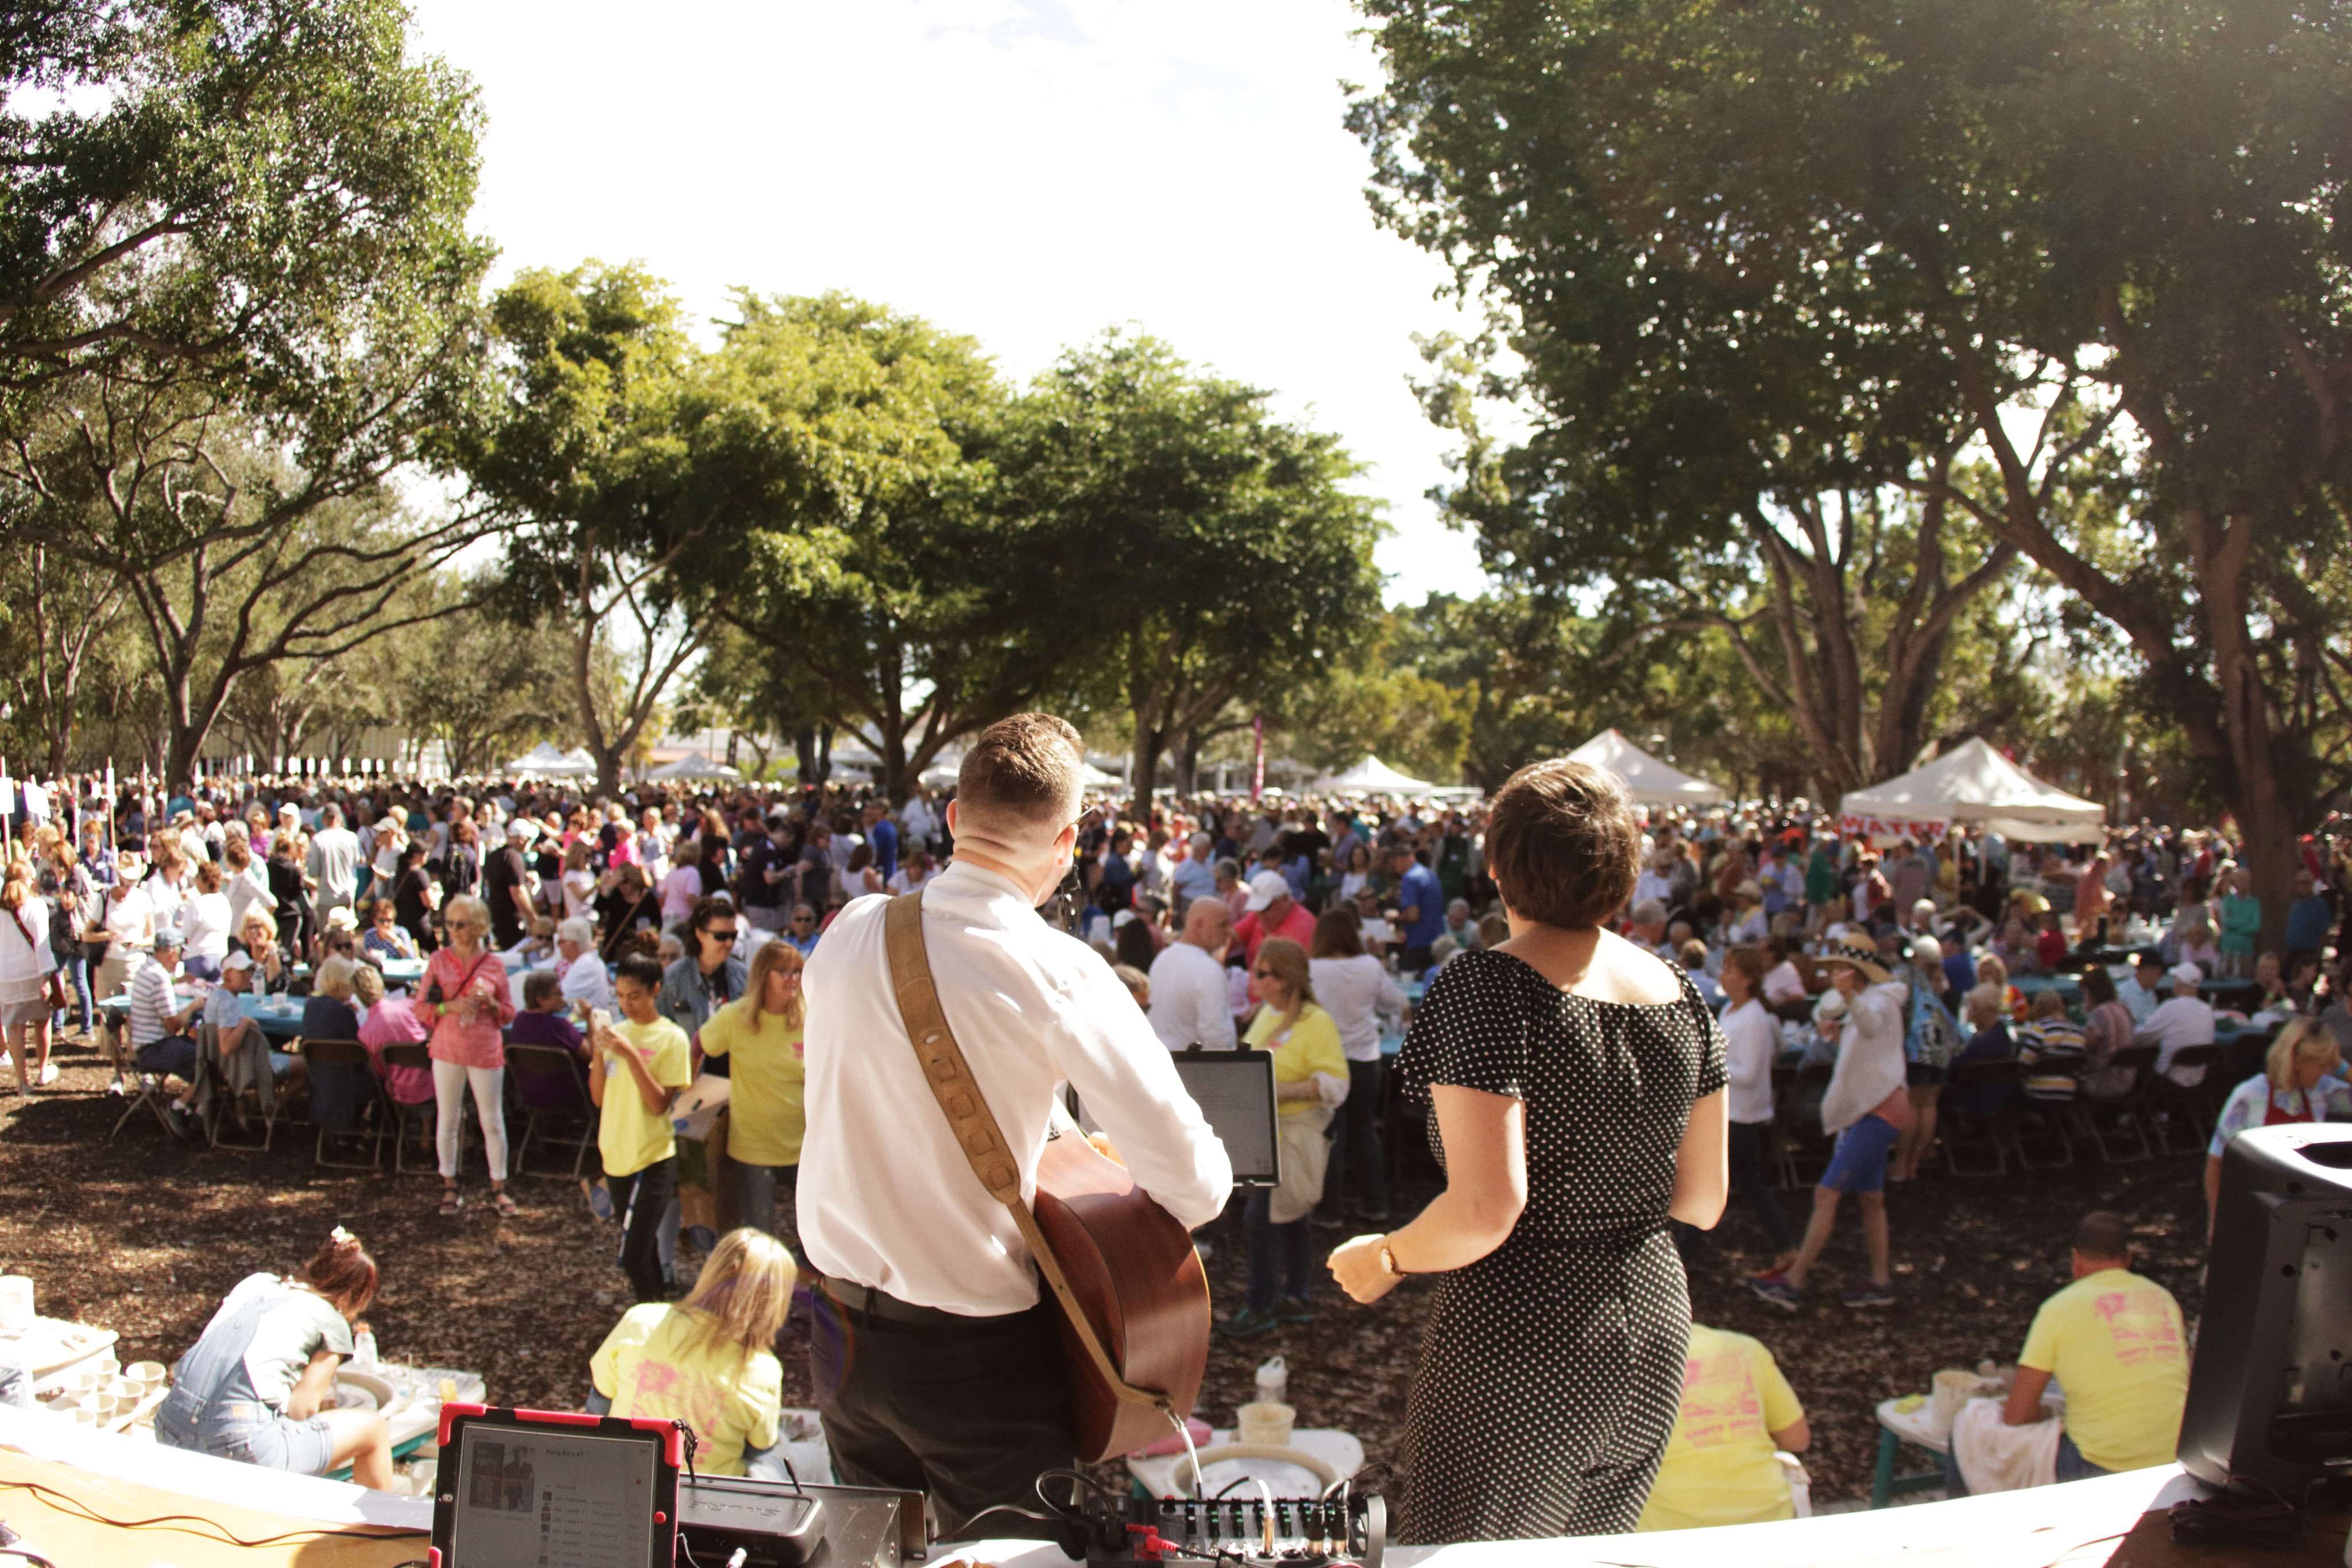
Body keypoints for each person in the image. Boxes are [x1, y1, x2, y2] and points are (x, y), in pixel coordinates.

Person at [798, 713, 1232, 1541]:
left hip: (838, 1332)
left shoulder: (850, 930)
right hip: (975, 1357)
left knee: (867, 1555)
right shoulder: (1060, 969)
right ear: (1067, 840)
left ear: (955, 817)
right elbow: (1197, 1185)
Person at [1328, 757, 1727, 1543]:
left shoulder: (1489, 984)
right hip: (1654, 1319)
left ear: (1498, 863)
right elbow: (1703, 1199)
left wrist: (1386, 1256)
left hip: (1526, 1330)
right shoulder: (1680, 989)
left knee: (1462, 1557)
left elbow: (1486, 1208)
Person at [156, 1230, 393, 1489]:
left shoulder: (259, 1285)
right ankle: (383, 1527)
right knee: (374, 1428)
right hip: (236, 1443)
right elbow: (302, 1410)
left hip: (170, 1428)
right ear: (348, 1297)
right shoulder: (332, 1321)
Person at [1748, 936, 1912, 1311]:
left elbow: (1871, 1026)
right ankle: (1881, 1281)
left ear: (1855, 973)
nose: (1833, 974)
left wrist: (1850, 1001)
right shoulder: (1864, 1003)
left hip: (1880, 1108)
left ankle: (1795, 1280)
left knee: (1826, 1193)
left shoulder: (1881, 1000)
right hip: (1872, 1106)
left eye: (1840, 968)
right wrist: (1838, 1037)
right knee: (1872, 1199)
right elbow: (1867, 1046)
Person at [1976, 1211, 2188, 1485]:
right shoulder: (2163, 1298)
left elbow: (2017, 1414)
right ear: (2128, 1259)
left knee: (1969, 1431)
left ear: (2075, 1260)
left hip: (2100, 1462)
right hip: (2174, 1456)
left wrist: (2048, 1413)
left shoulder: (2058, 1308)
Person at [1220, 938, 1348, 1338]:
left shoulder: (1315, 1022)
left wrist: (1278, 1088)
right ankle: (1295, 1296)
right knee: (1288, 1219)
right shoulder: (1267, 1016)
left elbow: (1336, 1084)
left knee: (1266, 1217)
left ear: (1285, 978)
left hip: (1295, 1133)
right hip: (1264, 1132)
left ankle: (1262, 1303)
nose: (1254, 980)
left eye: (1262, 973)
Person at [589, 1229, 794, 1476]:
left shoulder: (641, 1320)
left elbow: (598, 1404)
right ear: (775, 1302)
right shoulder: (762, 1370)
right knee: (807, 1457)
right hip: (709, 1497)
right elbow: (759, 1450)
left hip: (624, 1478)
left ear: (713, 1269)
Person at [590, 953, 694, 1302]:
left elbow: (658, 1104)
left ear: (655, 991)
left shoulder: (672, 1038)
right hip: (616, 1154)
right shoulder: (616, 1033)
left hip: (652, 1157)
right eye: (619, 996)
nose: (626, 1004)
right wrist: (598, 1053)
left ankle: (652, 1317)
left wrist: (631, 1055)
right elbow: (599, 1098)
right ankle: (653, 1314)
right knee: (642, 1251)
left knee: (632, 1255)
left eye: (634, 995)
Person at [1635, 1323, 1809, 1532]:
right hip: (1769, 1519)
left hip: (1668, 1528)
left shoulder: (1615, 1361)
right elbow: (1797, 1439)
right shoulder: (1746, 1348)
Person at [697, 940, 807, 1250]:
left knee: (813, 1236)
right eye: (783, 971)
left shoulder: (810, 1015)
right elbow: (700, 1043)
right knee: (761, 1238)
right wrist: (686, 1092)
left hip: (804, 1144)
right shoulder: (736, 1016)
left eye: (798, 971)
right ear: (762, 975)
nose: (792, 979)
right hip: (753, 1146)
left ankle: (815, 1294)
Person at [2204, 1018, 2349, 1234]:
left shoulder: (2322, 1091)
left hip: (2306, 1215)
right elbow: (2216, 1162)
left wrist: (2343, 1067)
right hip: (2255, 1213)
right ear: (2297, 1061)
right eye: (2322, 1065)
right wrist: (2216, 1219)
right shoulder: (2250, 1095)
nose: (2327, 1071)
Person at [1307, 906, 1407, 1224]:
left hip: (1327, 1060)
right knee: (1364, 1130)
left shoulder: (1312, 969)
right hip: (1365, 1059)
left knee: (1332, 1133)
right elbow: (1398, 1002)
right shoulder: (1369, 966)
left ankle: (1330, 1209)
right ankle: (1375, 1203)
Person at [422, 893, 518, 1217]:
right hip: (447, 1047)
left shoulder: (494, 964)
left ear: (477, 927)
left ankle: (498, 1186)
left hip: (484, 1047)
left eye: (460, 924)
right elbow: (421, 1008)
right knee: (448, 1118)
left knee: (491, 1120)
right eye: (448, 923)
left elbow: (508, 1013)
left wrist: (490, 1005)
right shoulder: (437, 961)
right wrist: (449, 1007)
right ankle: (449, 1183)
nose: (453, 930)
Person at [1713, 946, 1797, 1272]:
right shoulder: (1730, 1012)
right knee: (1750, 1185)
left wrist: (1710, 1067)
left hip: (1743, 1118)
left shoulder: (1754, 1018)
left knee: (1718, 1182)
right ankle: (1786, 1246)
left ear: (1747, 979)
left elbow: (1749, 1073)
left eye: (1731, 969)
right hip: (1729, 1113)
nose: (1723, 974)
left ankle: (1684, 1251)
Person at [1146, 896, 1238, 1052]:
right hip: (1192, 1068)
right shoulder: (1208, 969)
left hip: (1162, 1061)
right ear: (1199, 925)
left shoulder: (1163, 958)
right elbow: (1217, 1036)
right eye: (1222, 925)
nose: (1230, 931)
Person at [0, 862, 59, 1092]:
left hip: (6, 976)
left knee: (15, 1028)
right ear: (29, 880)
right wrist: (47, 977)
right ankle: (43, 1070)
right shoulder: (36, 906)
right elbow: (43, 946)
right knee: (42, 1022)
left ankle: (23, 1082)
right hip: (33, 973)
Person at [659, 897, 745, 1039]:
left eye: (733, 936)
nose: (729, 943)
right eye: (721, 936)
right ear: (700, 934)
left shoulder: (742, 976)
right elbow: (661, 1030)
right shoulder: (673, 978)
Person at [2135, 961, 2216, 1086]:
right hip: (2198, 1077)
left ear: (2177, 984)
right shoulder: (2207, 1010)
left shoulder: (2170, 1007)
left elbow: (2141, 1037)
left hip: (2169, 1078)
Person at [1231, 870, 1314, 969]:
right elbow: (1231, 938)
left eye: (1266, 908)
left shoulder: (1303, 928)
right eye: (1257, 908)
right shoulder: (1260, 914)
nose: (1260, 915)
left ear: (1286, 899)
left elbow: (1285, 976)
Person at [1392, 846, 1446, 973]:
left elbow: (1413, 916)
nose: (1394, 868)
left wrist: (1395, 918)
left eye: (1394, 862)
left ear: (1401, 860)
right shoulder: (1431, 875)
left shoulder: (1409, 879)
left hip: (1420, 942)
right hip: (1438, 940)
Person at [178, 860, 233, 981]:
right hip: (220, 956)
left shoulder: (197, 903)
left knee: (196, 996)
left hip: (198, 957)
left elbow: (185, 933)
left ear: (204, 880)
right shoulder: (225, 902)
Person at [555, 916, 614, 1016]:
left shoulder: (586, 965)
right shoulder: (585, 961)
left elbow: (558, 1000)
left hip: (587, 1026)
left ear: (572, 944)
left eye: (560, 942)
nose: (558, 946)